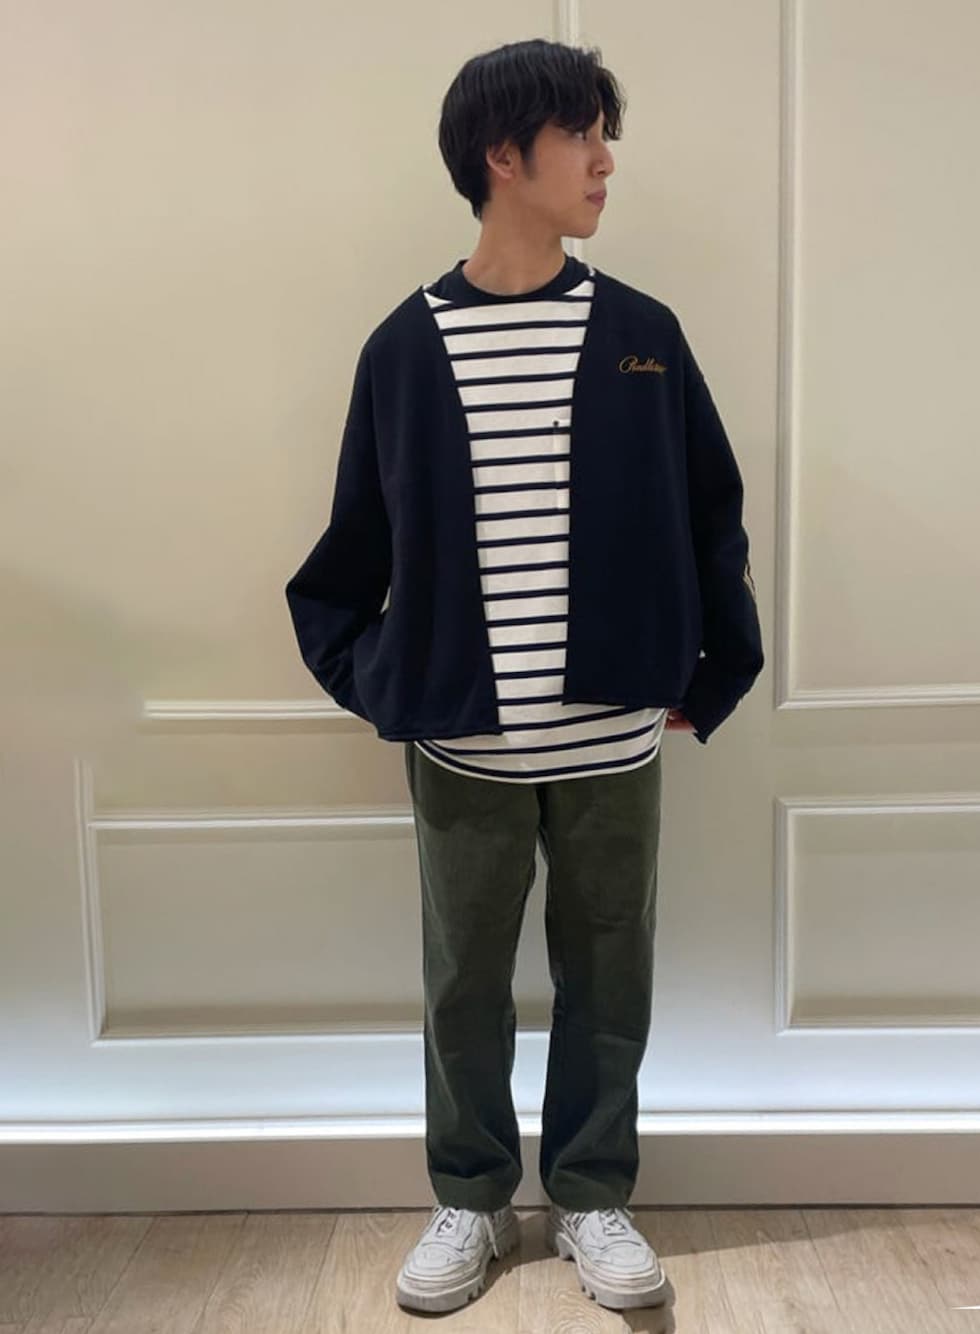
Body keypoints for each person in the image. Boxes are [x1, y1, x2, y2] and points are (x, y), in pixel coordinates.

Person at [285, 36, 764, 1316]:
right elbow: (351, 553)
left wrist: (710, 669)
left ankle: (593, 1193)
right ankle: (473, 1194)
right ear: (504, 155)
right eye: (582, 136)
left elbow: (710, 516)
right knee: (463, 986)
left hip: (613, 742)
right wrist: (386, 680)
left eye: (607, 136)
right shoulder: (405, 348)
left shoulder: (641, 336)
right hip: (464, 747)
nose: (605, 161)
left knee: (610, 977)